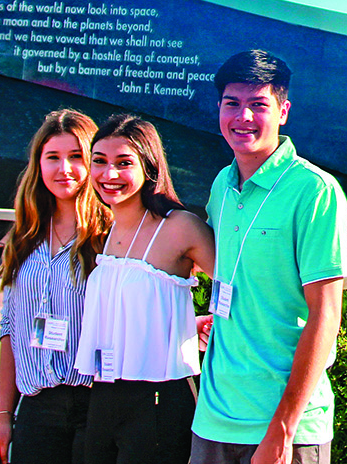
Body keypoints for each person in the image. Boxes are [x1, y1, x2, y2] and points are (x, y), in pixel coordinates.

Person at [191, 50, 347, 464]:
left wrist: (283, 429)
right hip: (212, 419)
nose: (242, 116)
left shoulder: (315, 191)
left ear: (283, 111)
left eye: (258, 104)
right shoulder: (221, 186)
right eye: (232, 103)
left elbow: (326, 316)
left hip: (286, 431)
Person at [71, 113, 216, 464]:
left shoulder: (181, 227)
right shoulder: (106, 230)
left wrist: (333, 283)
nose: (110, 175)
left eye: (124, 163)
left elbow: (247, 285)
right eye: (100, 162)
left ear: (148, 166)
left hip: (160, 399)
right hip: (104, 394)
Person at [0, 109, 112, 464]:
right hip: (37, 409)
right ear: (38, 164)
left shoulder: (113, 237)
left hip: (98, 407)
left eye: (77, 156)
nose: (65, 169)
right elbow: (9, 330)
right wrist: (2, 418)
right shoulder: (23, 239)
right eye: (53, 157)